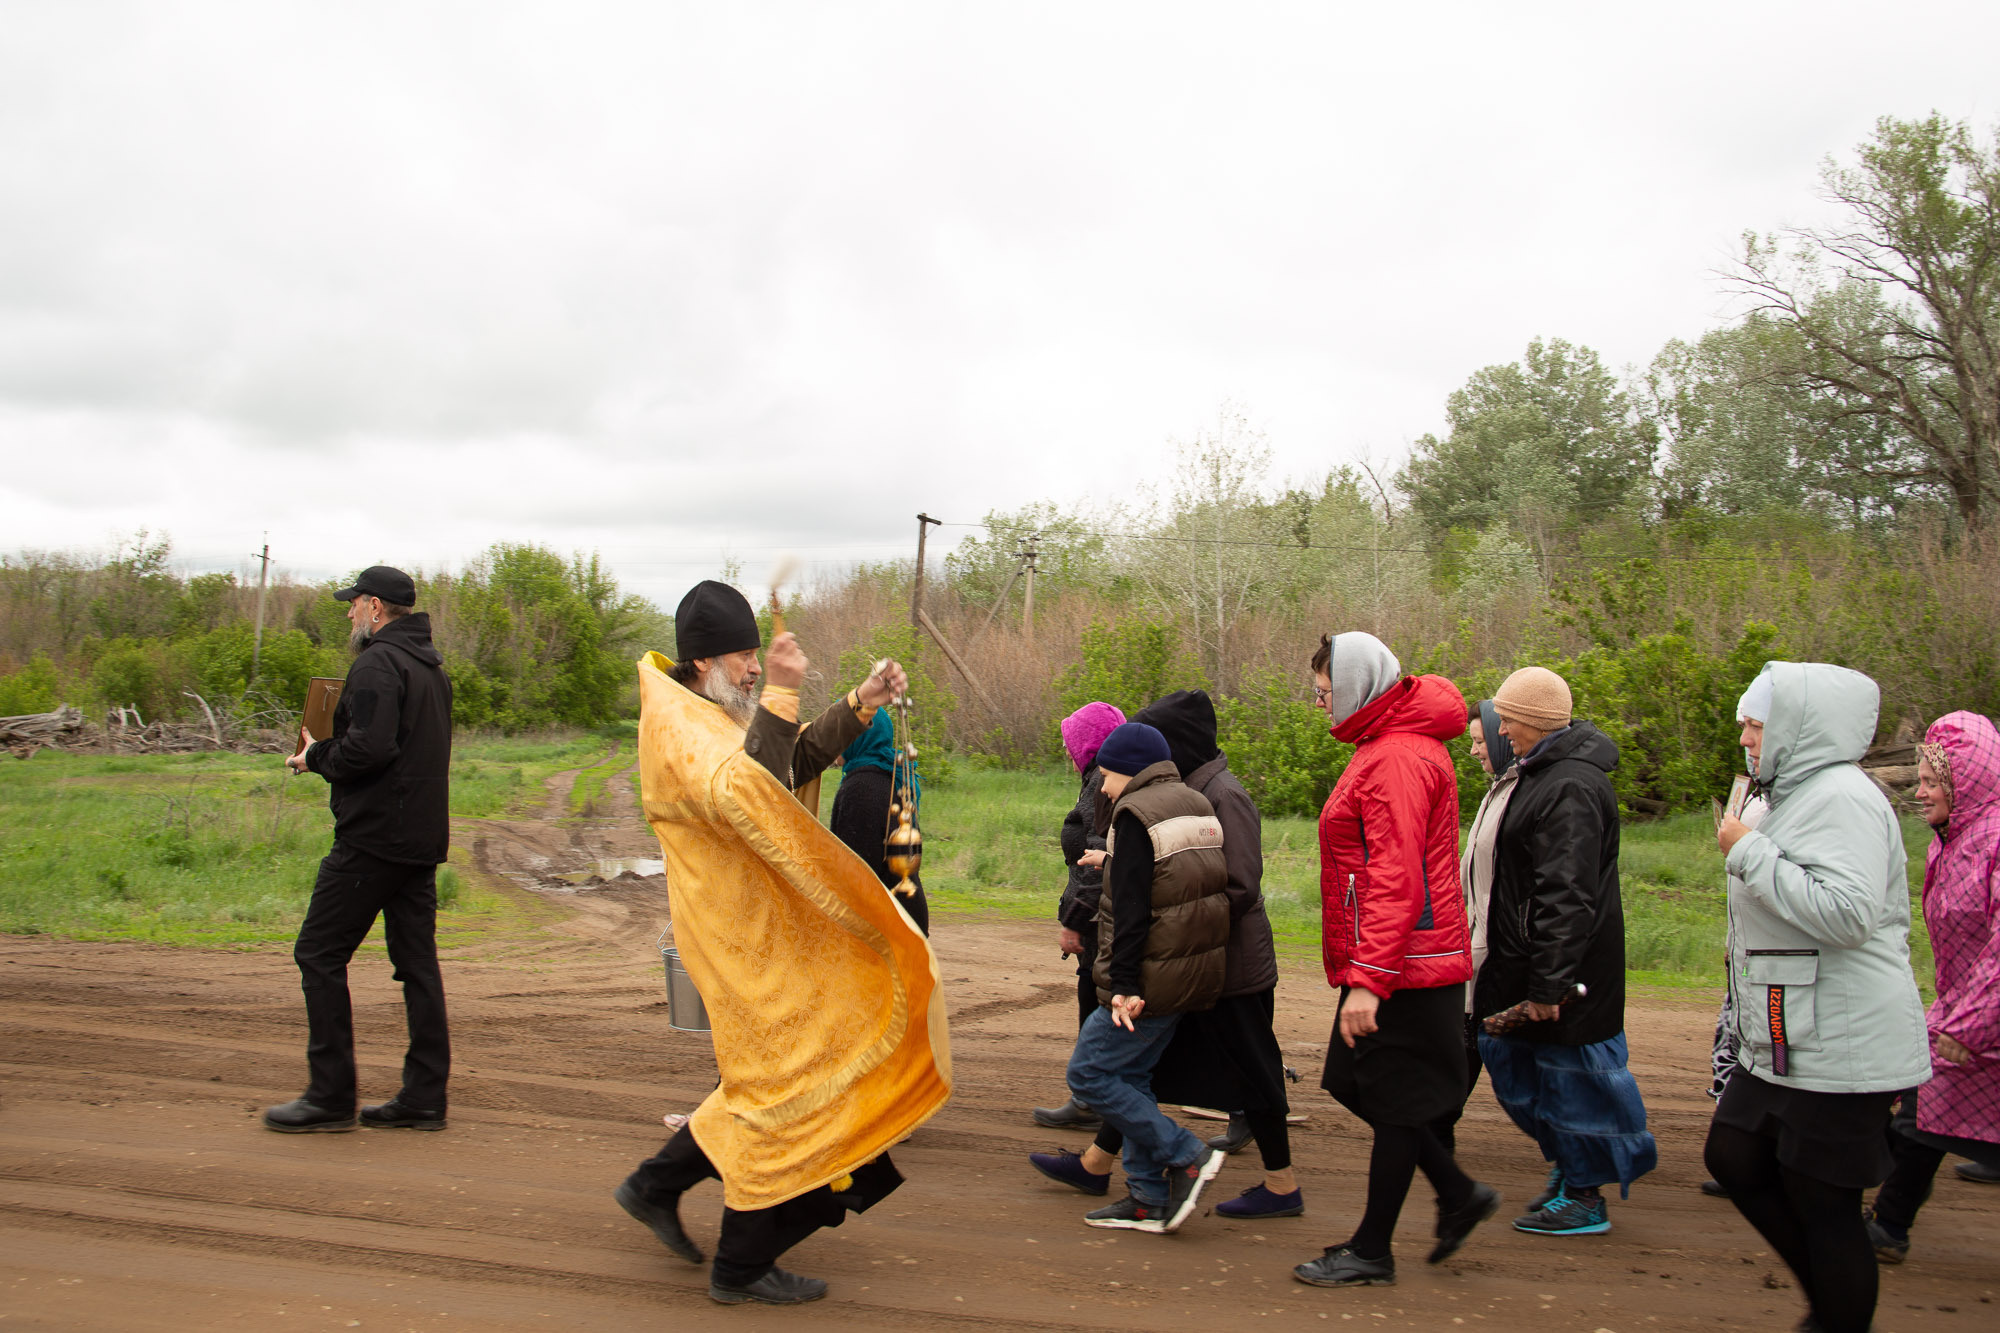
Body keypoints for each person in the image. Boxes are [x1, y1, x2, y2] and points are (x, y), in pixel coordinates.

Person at [614, 581, 951, 1306]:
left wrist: (859, 704)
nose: (756, 668)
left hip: (763, 931)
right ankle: (741, 1260)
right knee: (795, 1079)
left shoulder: (709, 713)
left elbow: (789, 764)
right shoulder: (678, 728)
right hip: (741, 939)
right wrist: (787, 694)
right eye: (744, 657)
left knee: (767, 1078)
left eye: (756, 656)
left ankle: (655, 1183)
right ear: (703, 659)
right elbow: (754, 791)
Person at [1704, 662, 1931, 1333]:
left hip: (1844, 1036)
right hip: (1789, 1028)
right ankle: (1832, 1302)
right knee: (1735, 1154)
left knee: (1823, 1202)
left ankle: (1837, 1315)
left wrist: (1748, 853)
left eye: (1756, 721)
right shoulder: (1787, 792)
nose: (1743, 733)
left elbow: (1848, 913)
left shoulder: (1844, 798)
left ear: (1798, 727)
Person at [1032, 690, 1301, 1218]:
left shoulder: (1220, 795)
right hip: (1193, 959)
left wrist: (1151, 896)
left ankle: (1276, 1183)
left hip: (1230, 965)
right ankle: (1107, 1171)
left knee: (1253, 1073)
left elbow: (1237, 885)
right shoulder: (1182, 795)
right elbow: (1169, 874)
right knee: (1142, 1069)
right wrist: (1123, 862)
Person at [1293, 633, 1498, 1289]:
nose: (1320, 702)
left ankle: (1372, 1249)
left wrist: (1369, 983)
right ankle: (1458, 1189)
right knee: (1357, 1083)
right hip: (1399, 959)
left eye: (1324, 691)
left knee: (1395, 1099)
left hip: (1406, 964)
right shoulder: (1383, 745)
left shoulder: (1397, 758)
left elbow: (1396, 878)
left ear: (1354, 685)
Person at [266, 565, 454, 1134]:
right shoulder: (431, 668)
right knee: (417, 966)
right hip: (419, 840)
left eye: (353, 603)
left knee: (317, 953)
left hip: (373, 839)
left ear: (374, 607)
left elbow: (369, 750)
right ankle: (423, 1097)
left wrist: (315, 757)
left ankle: (329, 1097)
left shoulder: (375, 663)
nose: (348, 612)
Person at [1475, 666, 1656, 1237]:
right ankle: (1571, 1169)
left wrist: (1549, 981)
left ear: (1531, 720)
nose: (1499, 725)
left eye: (1507, 716)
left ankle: (1584, 1194)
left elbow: (1567, 890)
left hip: (1566, 973)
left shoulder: (1571, 785)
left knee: (1573, 1081)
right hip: (1529, 961)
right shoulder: (1541, 773)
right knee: (1523, 1070)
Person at [1059, 721, 1230, 1233]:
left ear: (1130, 772)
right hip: (1190, 973)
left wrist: (1126, 987)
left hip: (1147, 981)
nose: (1104, 787)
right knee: (1131, 1078)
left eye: (1108, 776)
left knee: (1088, 1073)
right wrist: (1116, 860)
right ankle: (1148, 1196)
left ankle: (1187, 1153)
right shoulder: (1194, 804)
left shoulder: (1134, 815)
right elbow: (1177, 884)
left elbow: (1133, 910)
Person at [1865, 710, 2000, 1263]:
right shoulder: (1953, 839)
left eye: (1928, 781)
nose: (1918, 793)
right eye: (1918, 779)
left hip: (1980, 1011)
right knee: (1916, 1100)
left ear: (1964, 781)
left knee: (1922, 1108)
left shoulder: (1993, 842)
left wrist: (1968, 1023)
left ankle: (1887, 1225)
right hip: (1966, 1004)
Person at [1034, 701, 1125, 1130]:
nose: (1070, 753)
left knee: (1095, 1003)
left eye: (1074, 743)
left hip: (1098, 918)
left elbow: (1094, 859)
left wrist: (1073, 919)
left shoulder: (1100, 785)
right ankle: (1094, 1097)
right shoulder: (1100, 779)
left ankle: (1091, 1098)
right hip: (1102, 913)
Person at [1439, 699, 1515, 1155]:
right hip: (1475, 951)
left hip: (1497, 956)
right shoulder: (1495, 791)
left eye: (1481, 742)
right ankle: (1435, 1132)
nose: (1473, 752)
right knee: (1461, 1054)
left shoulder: (1517, 793)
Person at [828, 707, 928, 936]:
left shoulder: (860, 787)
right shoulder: (893, 777)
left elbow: (857, 873)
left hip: (886, 926)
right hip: (908, 913)